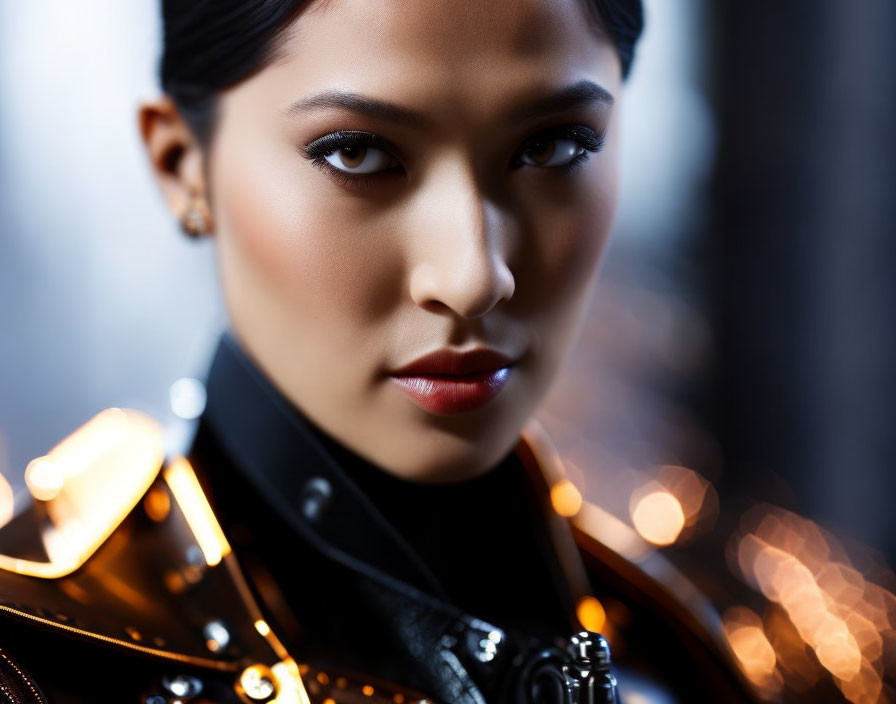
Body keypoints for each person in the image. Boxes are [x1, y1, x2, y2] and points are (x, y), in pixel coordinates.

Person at [0, 1, 757, 702]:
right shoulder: (34, 664)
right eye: (358, 155)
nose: (474, 276)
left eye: (552, 146)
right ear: (182, 166)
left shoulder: (712, 641)